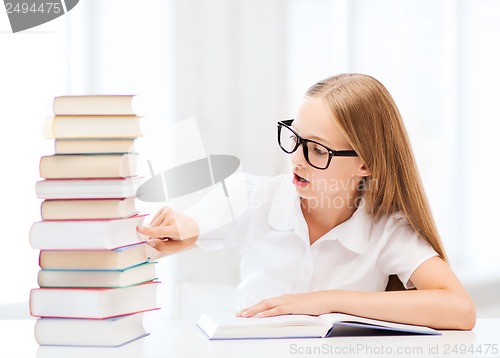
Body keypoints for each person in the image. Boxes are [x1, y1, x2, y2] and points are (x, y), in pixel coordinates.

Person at [137, 73, 476, 330]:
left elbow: (460, 309)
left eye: (317, 149)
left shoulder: (385, 229)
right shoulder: (252, 196)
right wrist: (179, 228)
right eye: (295, 137)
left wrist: (322, 304)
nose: (296, 159)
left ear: (366, 163)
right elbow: (193, 224)